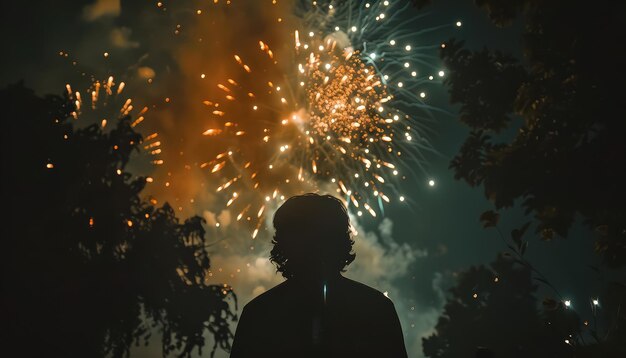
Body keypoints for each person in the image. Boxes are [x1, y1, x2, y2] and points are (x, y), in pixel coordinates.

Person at [230, 193, 408, 358]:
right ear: (340, 242)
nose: (311, 248)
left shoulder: (259, 313)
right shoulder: (376, 307)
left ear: (283, 245)